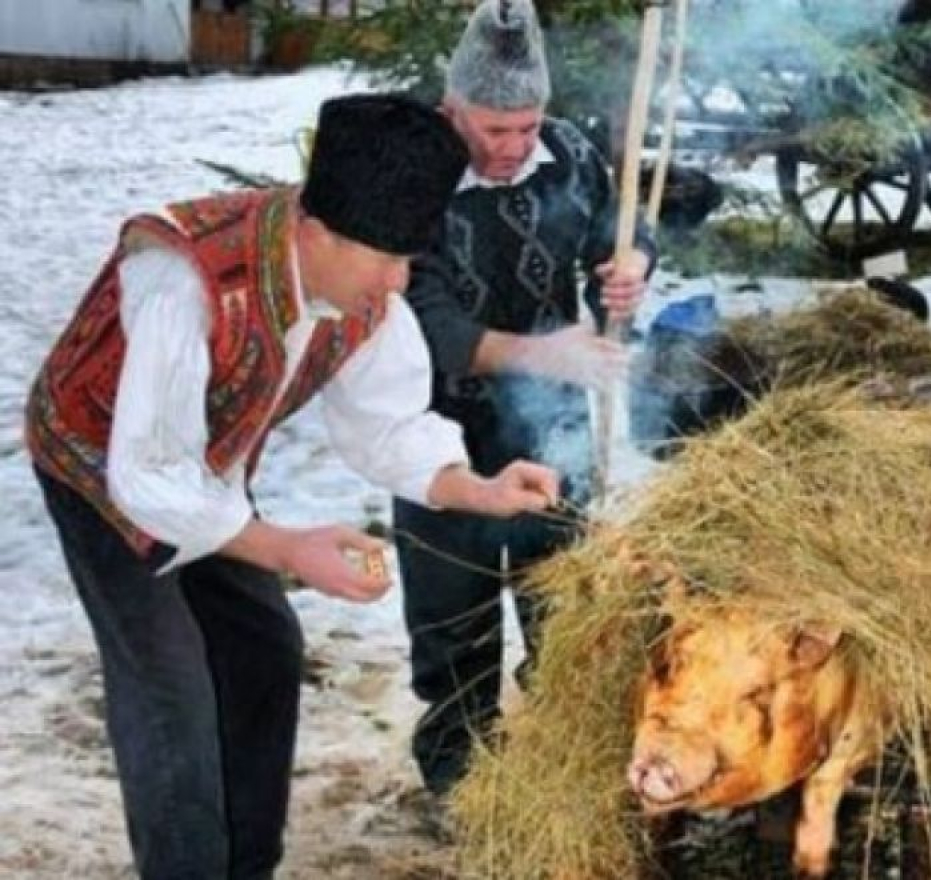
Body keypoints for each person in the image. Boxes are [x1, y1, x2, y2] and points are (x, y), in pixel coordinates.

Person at [25, 92, 564, 879]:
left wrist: (478, 488)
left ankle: (247, 865)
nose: (397, 282)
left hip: (205, 467)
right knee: (171, 689)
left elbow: (386, 425)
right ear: (316, 231)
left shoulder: (365, 293)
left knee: (265, 648)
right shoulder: (182, 273)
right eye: (385, 259)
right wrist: (284, 548)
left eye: (408, 260)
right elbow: (149, 473)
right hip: (101, 462)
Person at [396, 0, 653, 798]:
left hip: (555, 429)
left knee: (564, 601)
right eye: (494, 129)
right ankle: (463, 786)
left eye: (526, 126)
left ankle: (568, 765)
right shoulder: (413, 172)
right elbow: (421, 316)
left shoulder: (568, 151)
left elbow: (620, 227)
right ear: (453, 109)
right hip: (439, 431)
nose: (512, 147)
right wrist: (542, 353)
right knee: (453, 619)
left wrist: (629, 267)